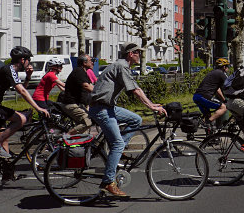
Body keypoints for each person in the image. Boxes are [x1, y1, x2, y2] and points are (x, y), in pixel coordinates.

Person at [89, 43, 166, 197]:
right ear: (131, 53)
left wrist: (151, 104)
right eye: (138, 52)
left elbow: (137, 88)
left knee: (136, 120)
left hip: (109, 107)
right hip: (101, 109)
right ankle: (108, 182)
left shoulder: (123, 66)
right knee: (117, 143)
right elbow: (135, 90)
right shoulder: (121, 66)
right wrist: (152, 108)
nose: (140, 55)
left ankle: (117, 151)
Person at [0, 46, 50, 160]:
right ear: (22, 60)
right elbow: (22, 91)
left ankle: (7, 173)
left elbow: (20, 90)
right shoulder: (9, 69)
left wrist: (28, 77)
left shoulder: (12, 70)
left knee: (4, 137)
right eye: (29, 60)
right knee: (21, 119)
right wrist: (38, 107)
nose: (30, 63)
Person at [59, 54, 95, 135]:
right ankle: (65, 138)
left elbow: (91, 86)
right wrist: (99, 93)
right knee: (87, 122)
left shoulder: (83, 72)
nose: (93, 63)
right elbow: (87, 86)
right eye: (91, 61)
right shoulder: (79, 71)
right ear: (84, 63)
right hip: (71, 104)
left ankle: (81, 144)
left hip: (79, 104)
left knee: (84, 127)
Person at [193, 58, 231, 130]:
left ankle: (210, 137)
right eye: (227, 66)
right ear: (224, 67)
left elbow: (217, 89)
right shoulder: (221, 74)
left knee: (208, 115)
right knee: (223, 108)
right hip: (204, 96)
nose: (228, 68)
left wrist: (224, 99)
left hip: (197, 96)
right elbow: (229, 86)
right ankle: (206, 123)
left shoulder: (213, 72)